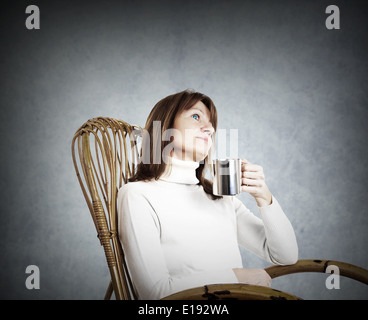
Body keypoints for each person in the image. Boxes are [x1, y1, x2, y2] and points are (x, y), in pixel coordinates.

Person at [117, 89, 298, 300]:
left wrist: (263, 197)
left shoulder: (219, 197)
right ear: (166, 126)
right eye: (196, 116)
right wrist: (235, 278)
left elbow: (285, 256)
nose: (209, 128)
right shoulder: (137, 195)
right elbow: (155, 294)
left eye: (211, 123)